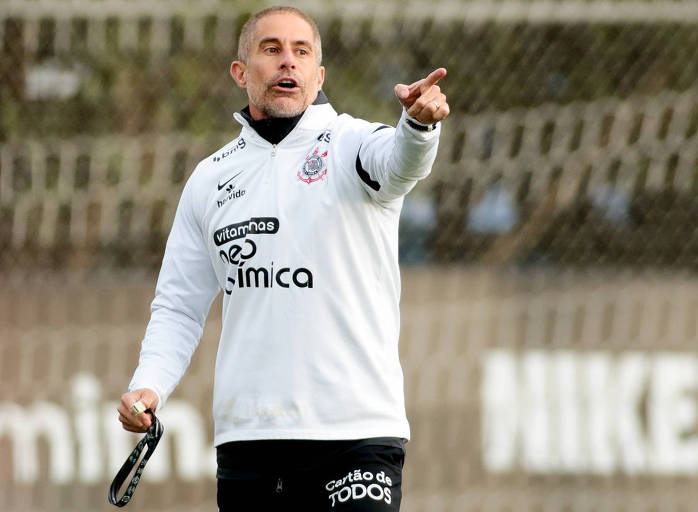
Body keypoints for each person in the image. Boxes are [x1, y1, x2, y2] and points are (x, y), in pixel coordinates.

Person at [116, 5, 449, 511]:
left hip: (355, 434)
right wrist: (148, 386)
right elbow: (179, 306)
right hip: (249, 440)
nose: (286, 63)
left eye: (301, 52)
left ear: (319, 75)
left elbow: (401, 163)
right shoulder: (209, 179)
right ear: (241, 72)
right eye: (271, 50)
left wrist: (418, 127)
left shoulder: (352, 144)